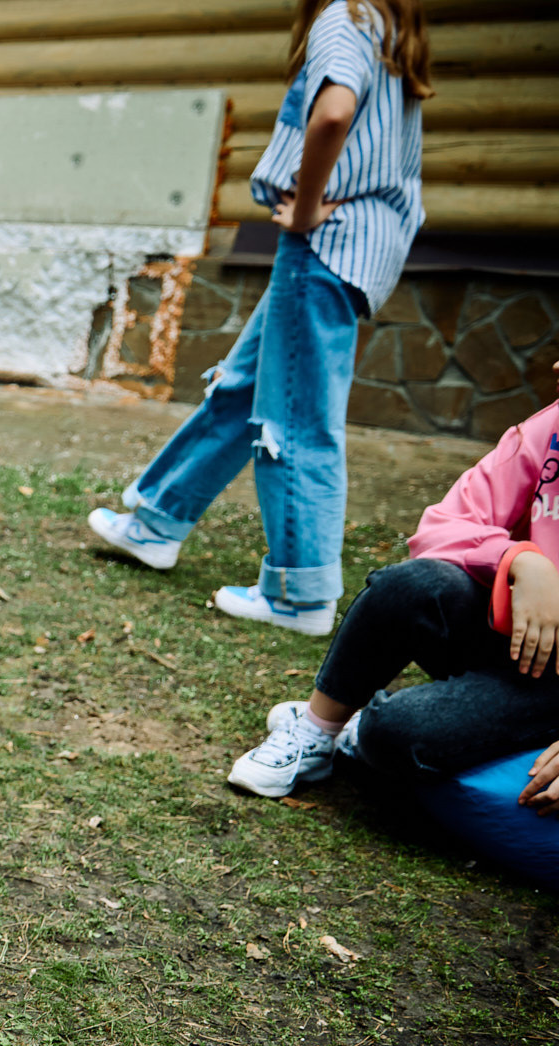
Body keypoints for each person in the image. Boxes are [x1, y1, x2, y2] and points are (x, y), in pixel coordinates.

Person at [87, 0, 430, 636]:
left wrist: (302, 205)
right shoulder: (388, 24)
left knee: (297, 419)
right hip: (355, 242)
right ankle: (157, 522)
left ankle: (300, 594)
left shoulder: (345, 17)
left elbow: (333, 112)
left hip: (325, 240)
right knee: (245, 387)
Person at [229, 395, 559, 800]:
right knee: (412, 584)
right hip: (520, 641)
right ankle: (317, 731)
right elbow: (443, 526)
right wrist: (521, 561)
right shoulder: (549, 427)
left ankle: (361, 730)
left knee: (393, 733)